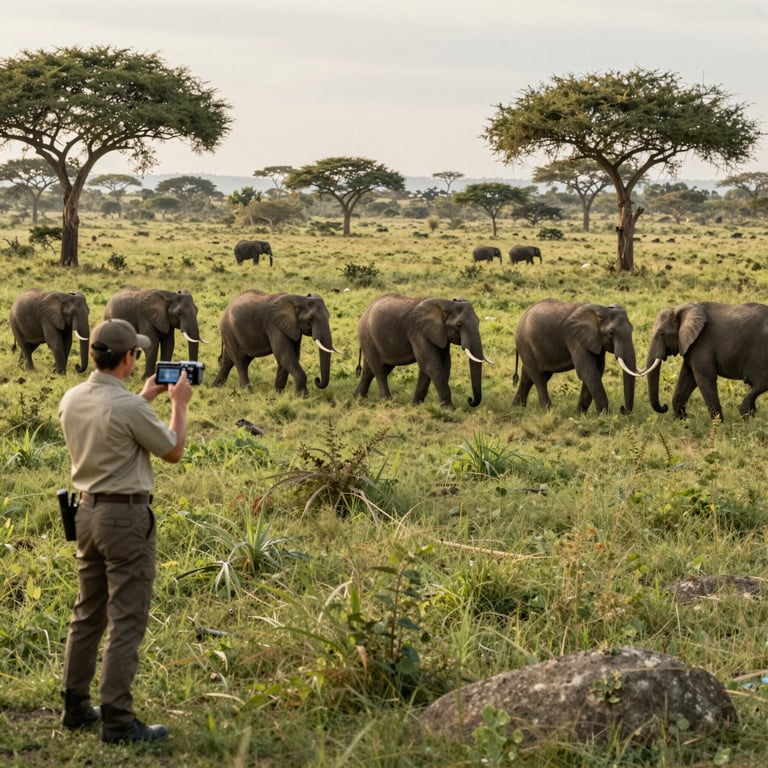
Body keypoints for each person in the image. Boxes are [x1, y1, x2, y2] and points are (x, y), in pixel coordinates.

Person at [57, 318, 193, 744]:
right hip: (125, 519)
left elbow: (110, 423)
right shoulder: (130, 408)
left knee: (87, 613)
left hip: (85, 513)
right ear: (129, 358)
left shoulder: (73, 397)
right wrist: (179, 403)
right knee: (126, 618)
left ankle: (75, 705)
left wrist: (143, 397)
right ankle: (118, 719)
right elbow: (172, 450)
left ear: (95, 354)